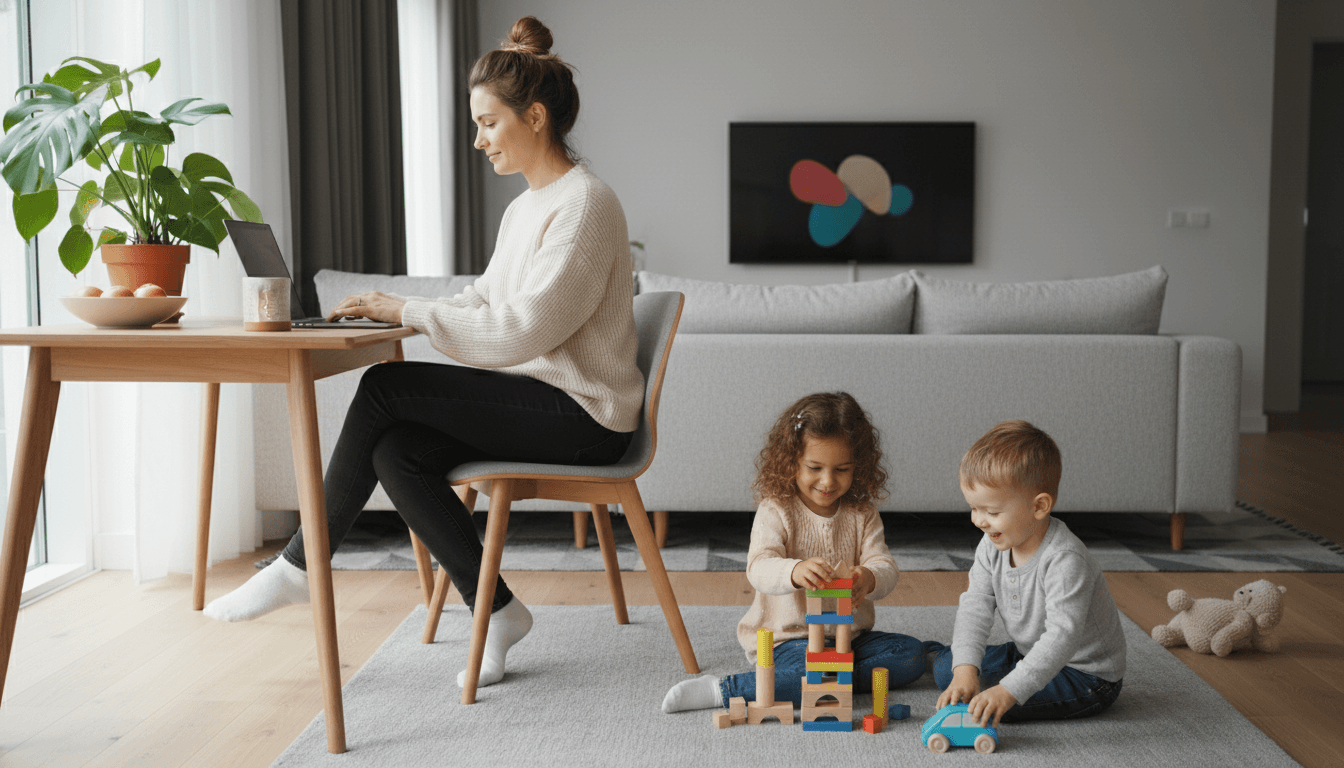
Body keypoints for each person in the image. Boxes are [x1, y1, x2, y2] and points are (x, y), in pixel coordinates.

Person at [205, 16, 641, 691]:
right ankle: (496, 610)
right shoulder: (529, 207)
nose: (478, 140)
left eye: (489, 124)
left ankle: (297, 568)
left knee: (384, 391)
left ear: (534, 117)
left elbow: (521, 330)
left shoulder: (585, 206)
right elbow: (484, 297)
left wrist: (407, 314)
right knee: (396, 446)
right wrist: (395, 313)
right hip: (549, 402)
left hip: (587, 420)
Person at [661, 392, 942, 713]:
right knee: (816, 674)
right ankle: (724, 689)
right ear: (791, 460)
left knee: (910, 655)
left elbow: (885, 566)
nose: (827, 480)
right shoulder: (776, 509)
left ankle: (833, 680)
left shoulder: (862, 513)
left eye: (842, 469)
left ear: (859, 467)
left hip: (848, 640)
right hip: (787, 641)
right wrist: (793, 571)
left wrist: (868, 577)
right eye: (815, 467)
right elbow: (759, 567)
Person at [934, 420, 1126, 727]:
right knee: (949, 670)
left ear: (1039, 506)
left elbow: (1061, 638)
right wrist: (965, 670)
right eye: (974, 508)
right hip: (1029, 653)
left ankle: (1005, 688)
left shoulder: (1065, 559)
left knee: (992, 707)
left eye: (992, 512)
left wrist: (1008, 691)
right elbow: (976, 605)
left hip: (1085, 675)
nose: (979, 521)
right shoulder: (992, 543)